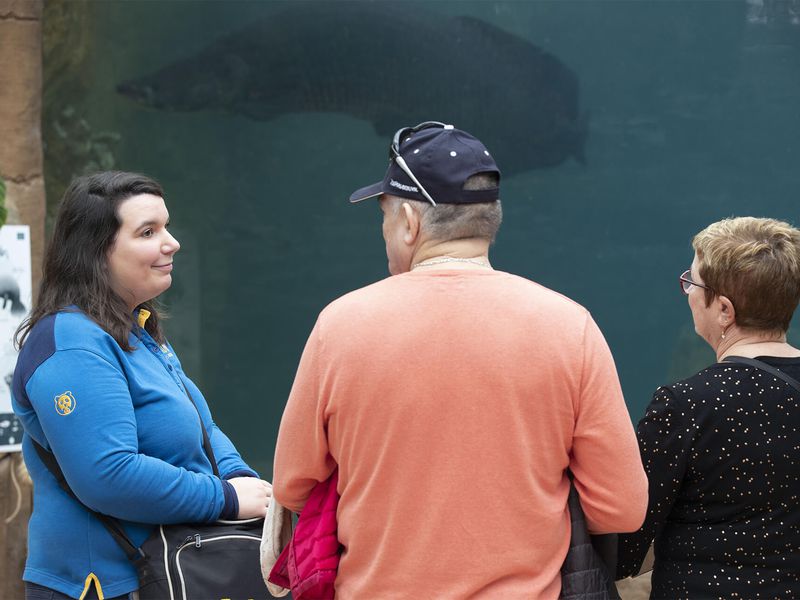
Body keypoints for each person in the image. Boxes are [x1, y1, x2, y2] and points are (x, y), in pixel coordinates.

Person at [272, 122, 648, 598]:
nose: (384, 232)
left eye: (383, 218)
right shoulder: (569, 325)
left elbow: (291, 486)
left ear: (409, 221)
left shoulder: (340, 325)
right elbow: (622, 508)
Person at [12, 172, 271, 600]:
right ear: (96, 251)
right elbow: (108, 475)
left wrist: (243, 479)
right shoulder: (72, 343)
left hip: (168, 570)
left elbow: (203, 429)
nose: (171, 243)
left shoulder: (137, 329)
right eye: (148, 232)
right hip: (103, 585)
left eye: (166, 227)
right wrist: (225, 498)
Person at [617, 216, 800, 598]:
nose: (686, 292)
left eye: (693, 282)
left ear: (725, 311)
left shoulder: (684, 405)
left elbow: (625, 546)